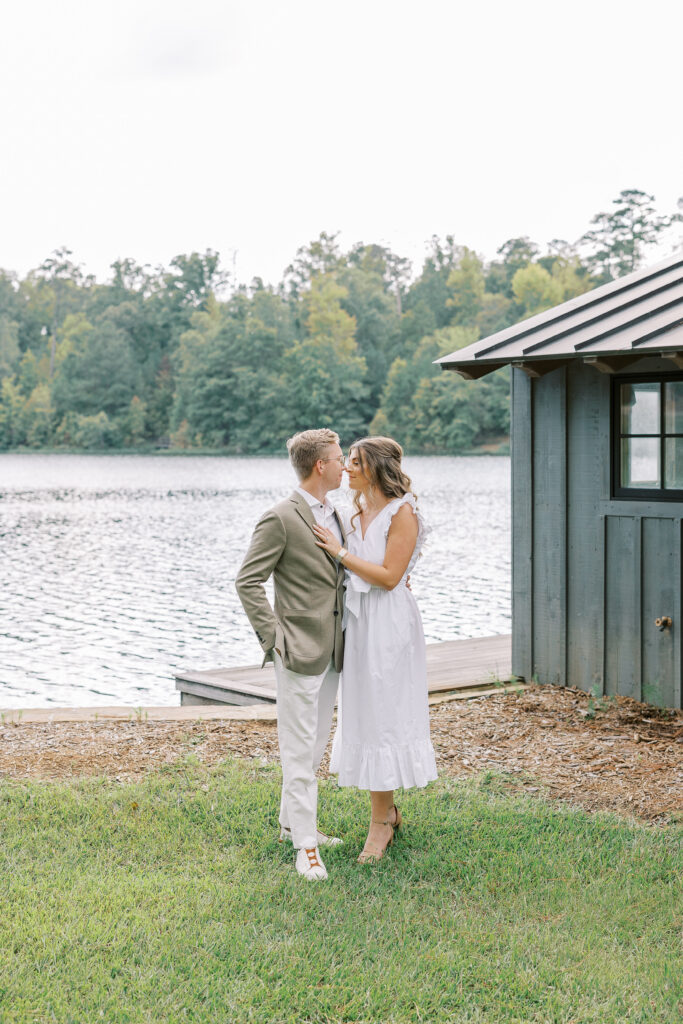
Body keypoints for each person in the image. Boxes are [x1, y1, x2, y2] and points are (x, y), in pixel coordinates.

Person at [313, 436, 437, 863]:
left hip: (390, 627)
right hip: (359, 624)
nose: (345, 467)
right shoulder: (352, 511)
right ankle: (386, 812)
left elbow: (388, 577)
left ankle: (380, 823)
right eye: (346, 459)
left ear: (376, 467)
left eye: (353, 461)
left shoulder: (403, 513)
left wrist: (341, 553)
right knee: (365, 715)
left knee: (385, 717)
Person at [235, 428, 347, 881]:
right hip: (297, 650)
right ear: (320, 465)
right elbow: (248, 581)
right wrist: (274, 638)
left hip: (334, 648)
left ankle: (290, 824)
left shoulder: (336, 513)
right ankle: (306, 847)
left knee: (315, 742)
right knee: (298, 749)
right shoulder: (280, 517)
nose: (345, 464)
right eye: (339, 458)